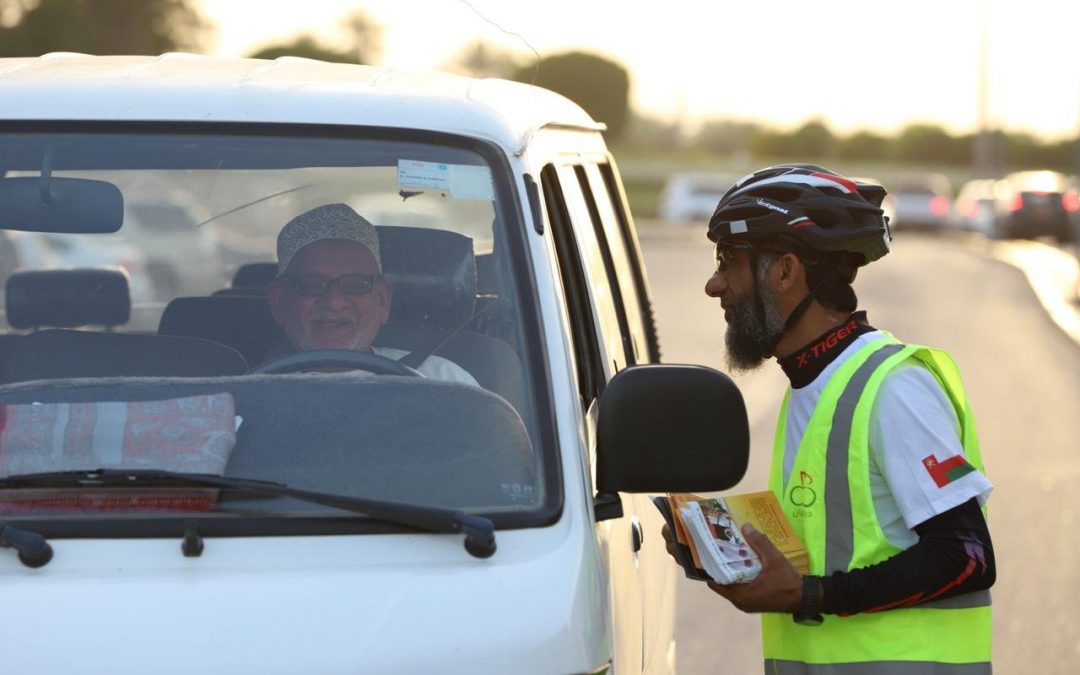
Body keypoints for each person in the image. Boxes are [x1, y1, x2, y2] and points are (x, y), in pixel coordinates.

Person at [670, 164, 995, 672]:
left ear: (785, 272)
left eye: (728, 260)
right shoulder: (813, 384)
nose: (715, 285)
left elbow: (967, 556)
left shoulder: (892, 387)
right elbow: (831, 546)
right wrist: (721, 550)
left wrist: (810, 595)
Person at [265, 203, 478, 385]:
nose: (335, 302)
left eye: (356, 284)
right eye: (312, 284)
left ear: (383, 301)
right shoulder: (250, 393)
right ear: (278, 302)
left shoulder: (444, 381)